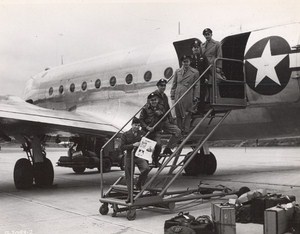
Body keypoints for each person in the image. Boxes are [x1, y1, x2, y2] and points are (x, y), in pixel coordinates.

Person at [120, 117, 150, 203]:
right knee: (129, 177)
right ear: (132, 125)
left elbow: (147, 144)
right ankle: (130, 197)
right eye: (135, 125)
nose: (137, 127)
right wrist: (133, 145)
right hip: (129, 156)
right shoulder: (125, 134)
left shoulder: (142, 133)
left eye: (139, 125)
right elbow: (121, 147)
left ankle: (139, 183)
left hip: (139, 156)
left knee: (146, 169)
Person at [170, 55, 200, 133]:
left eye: (187, 61)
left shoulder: (195, 72)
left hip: (188, 94)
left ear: (190, 62)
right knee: (178, 113)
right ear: (182, 62)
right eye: (184, 62)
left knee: (187, 113)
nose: (185, 63)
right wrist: (172, 93)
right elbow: (174, 84)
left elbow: (197, 85)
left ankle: (186, 131)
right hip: (178, 94)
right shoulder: (177, 71)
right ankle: (179, 131)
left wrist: (196, 96)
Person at [152, 79, 182, 155]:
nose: (163, 87)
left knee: (177, 131)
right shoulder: (153, 96)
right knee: (158, 144)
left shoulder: (165, 96)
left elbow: (167, 108)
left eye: (164, 85)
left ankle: (168, 148)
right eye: (161, 85)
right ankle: (154, 160)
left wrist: (170, 118)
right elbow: (149, 109)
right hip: (156, 123)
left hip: (164, 122)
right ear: (158, 86)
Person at [139, 92, 165, 167]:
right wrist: (147, 127)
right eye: (152, 100)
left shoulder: (161, 108)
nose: (154, 101)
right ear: (149, 101)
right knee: (146, 148)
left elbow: (164, 119)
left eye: (155, 100)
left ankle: (155, 159)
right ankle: (145, 163)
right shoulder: (145, 108)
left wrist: (161, 114)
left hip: (156, 131)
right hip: (146, 131)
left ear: (158, 100)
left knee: (158, 145)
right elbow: (141, 120)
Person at [201, 28, 223, 100]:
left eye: (208, 34)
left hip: (212, 65)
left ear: (211, 34)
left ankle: (216, 98)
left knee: (214, 82)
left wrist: (219, 67)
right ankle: (207, 99)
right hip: (205, 66)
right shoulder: (202, 45)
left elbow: (219, 56)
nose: (207, 36)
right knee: (206, 83)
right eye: (205, 35)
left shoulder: (217, 44)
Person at [190, 39, 209, 110]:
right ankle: (194, 108)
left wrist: (206, 78)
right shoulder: (190, 58)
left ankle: (201, 109)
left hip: (202, 78)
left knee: (202, 94)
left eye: (197, 47)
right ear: (192, 49)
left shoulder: (203, 57)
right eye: (194, 47)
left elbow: (206, 67)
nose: (196, 49)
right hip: (194, 79)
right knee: (194, 94)